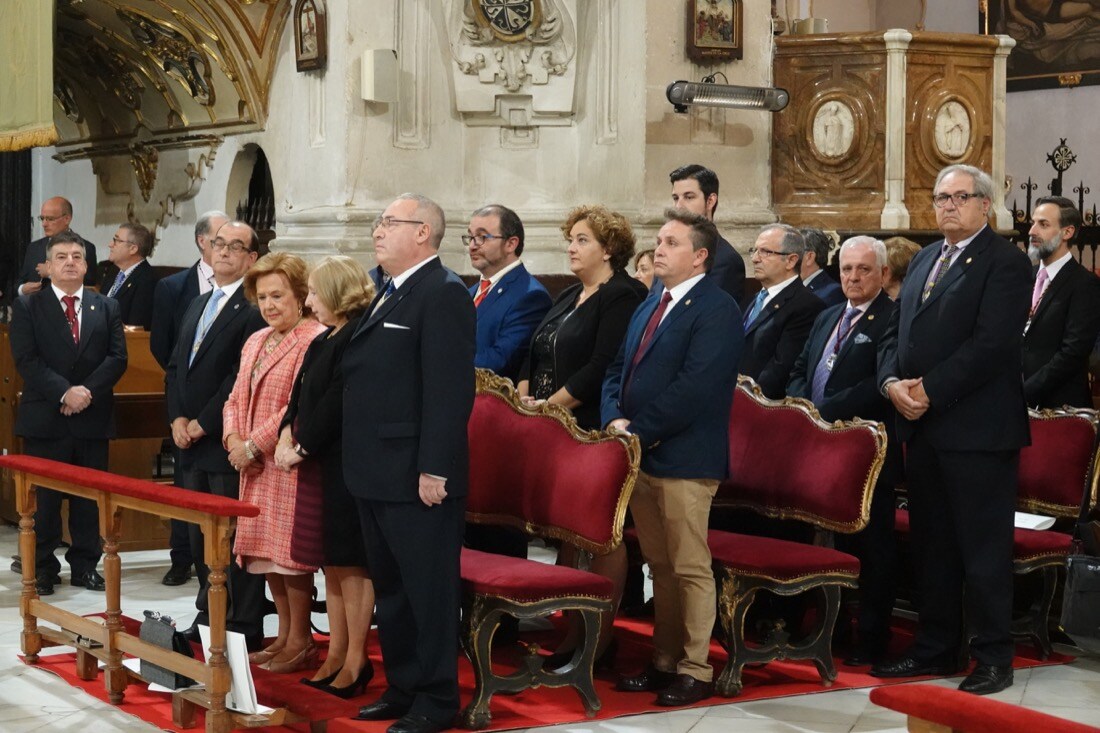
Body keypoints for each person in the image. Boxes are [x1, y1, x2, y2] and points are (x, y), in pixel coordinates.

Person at [873, 165, 1032, 696]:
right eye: (941, 197)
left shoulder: (1005, 263)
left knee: (982, 551)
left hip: (978, 432)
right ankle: (934, 648)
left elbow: (992, 347)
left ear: (985, 205)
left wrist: (929, 391)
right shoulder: (923, 258)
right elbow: (894, 332)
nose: (947, 206)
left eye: (960, 197)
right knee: (932, 546)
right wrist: (892, 381)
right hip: (922, 429)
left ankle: (992, 657)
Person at [344, 194, 475, 733]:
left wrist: (435, 469)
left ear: (423, 233)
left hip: (416, 473)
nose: (378, 230)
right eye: (379, 222)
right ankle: (403, 685)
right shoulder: (386, 290)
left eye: (389, 223)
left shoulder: (442, 294)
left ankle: (438, 698)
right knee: (392, 590)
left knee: (427, 591)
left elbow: (448, 390)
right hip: (375, 468)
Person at [603, 209, 742, 706]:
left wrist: (639, 431)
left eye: (671, 242)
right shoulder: (650, 302)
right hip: (640, 452)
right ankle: (663, 661)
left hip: (685, 457)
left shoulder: (717, 308)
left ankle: (696, 667)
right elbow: (618, 367)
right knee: (658, 565)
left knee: (688, 566)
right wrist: (614, 416)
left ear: (700, 255)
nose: (658, 249)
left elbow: (697, 388)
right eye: (658, 241)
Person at [515, 204, 648, 668]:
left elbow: (601, 366)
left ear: (609, 248)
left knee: (600, 536)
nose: (571, 247)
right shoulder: (571, 293)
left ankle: (600, 640)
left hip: (591, 430)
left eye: (582, 239)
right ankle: (572, 631)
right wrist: (525, 396)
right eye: (570, 238)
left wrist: (548, 407)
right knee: (567, 534)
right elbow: (536, 352)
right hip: (555, 431)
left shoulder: (622, 295)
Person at [787, 236, 900, 665]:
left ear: (884, 274)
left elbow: (880, 380)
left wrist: (822, 411)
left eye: (864, 269)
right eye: (847, 269)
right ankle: (822, 628)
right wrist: (802, 408)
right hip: (818, 447)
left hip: (866, 453)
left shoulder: (893, 318)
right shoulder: (828, 315)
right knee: (818, 541)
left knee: (872, 550)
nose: (852, 277)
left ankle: (871, 636)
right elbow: (800, 367)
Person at [274, 256, 377, 697]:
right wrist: (284, 432)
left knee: (352, 564)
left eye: (314, 292)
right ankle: (335, 653)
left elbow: (338, 400)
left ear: (337, 292)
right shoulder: (322, 339)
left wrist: (301, 446)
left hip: (345, 462)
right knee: (331, 564)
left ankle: (357, 660)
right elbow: (299, 396)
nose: (309, 300)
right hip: (318, 466)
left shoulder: (356, 336)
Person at [165, 220, 267, 649]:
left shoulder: (253, 307)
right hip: (188, 439)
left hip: (223, 439)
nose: (223, 251)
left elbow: (237, 377)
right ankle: (208, 616)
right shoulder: (199, 302)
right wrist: (176, 418)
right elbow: (175, 367)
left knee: (230, 538)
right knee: (199, 537)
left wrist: (203, 422)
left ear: (251, 258)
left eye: (235, 246)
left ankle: (241, 625)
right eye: (218, 244)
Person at [224, 253, 326, 674]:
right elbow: (234, 397)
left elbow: (294, 405)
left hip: (287, 464)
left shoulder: (313, 338)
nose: (269, 305)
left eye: (277, 295)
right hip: (251, 466)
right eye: (262, 297)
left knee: (290, 557)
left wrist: (252, 445)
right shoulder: (255, 340)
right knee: (265, 556)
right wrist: (232, 438)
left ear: (300, 295)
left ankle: (301, 640)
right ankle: (283, 637)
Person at [10, 232, 127, 596]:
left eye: (77, 256)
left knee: (88, 500)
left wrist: (84, 393)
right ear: (47, 266)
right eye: (61, 256)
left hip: (91, 416)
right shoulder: (30, 306)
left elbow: (117, 358)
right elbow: (27, 360)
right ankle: (43, 568)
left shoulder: (105, 306)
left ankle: (85, 566)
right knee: (43, 502)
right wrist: (64, 392)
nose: (70, 262)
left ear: (87, 265)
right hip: (47, 417)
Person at [150, 210, 226, 587]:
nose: (224, 249)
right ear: (203, 241)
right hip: (184, 404)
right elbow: (164, 349)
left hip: (220, 414)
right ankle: (182, 559)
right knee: (185, 485)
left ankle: (214, 574)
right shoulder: (175, 287)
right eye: (219, 241)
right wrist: (179, 409)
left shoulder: (244, 297)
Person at [1022, 195, 1100, 409]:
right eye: (1033, 223)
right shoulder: (1025, 277)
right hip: (1015, 408)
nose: (1032, 231)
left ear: (1068, 232)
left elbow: (1073, 353)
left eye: (1043, 224)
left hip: (1060, 409)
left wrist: (1025, 392)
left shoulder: (1084, 283)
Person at [464, 204, 552, 381]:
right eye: (470, 237)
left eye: (482, 237)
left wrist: (442, 364)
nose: (472, 246)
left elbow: (500, 360)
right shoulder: (469, 292)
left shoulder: (531, 296)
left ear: (511, 244)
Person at [740, 225, 825, 399]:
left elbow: (781, 369)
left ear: (791, 260)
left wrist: (745, 400)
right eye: (754, 250)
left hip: (761, 407)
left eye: (765, 252)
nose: (755, 258)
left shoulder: (806, 305)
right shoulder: (753, 299)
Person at [666, 164, 745, 303]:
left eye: (689, 197)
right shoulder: (666, 252)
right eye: (675, 198)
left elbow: (712, 316)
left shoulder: (726, 260)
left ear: (710, 201)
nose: (678, 206)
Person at [17, 197, 99, 296]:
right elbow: (20, 280)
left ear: (67, 219)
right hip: (35, 307)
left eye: (50, 219)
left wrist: (51, 274)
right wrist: (22, 289)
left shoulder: (85, 248)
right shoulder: (34, 248)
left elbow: (89, 285)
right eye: (42, 218)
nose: (44, 224)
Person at [102, 222, 157, 330]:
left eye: (116, 241)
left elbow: (136, 328)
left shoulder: (147, 281)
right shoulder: (113, 272)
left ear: (133, 249)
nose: (110, 244)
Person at [801, 228, 845, 307]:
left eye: (794, 252)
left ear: (809, 257)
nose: (788, 258)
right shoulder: (795, 287)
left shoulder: (833, 292)